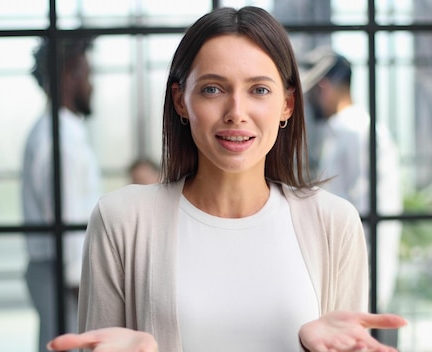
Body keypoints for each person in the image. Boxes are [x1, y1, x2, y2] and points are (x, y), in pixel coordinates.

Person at [47, 6, 406, 352]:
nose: (236, 113)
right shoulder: (121, 221)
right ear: (180, 101)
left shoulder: (335, 224)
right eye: (213, 89)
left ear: (288, 104)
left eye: (259, 90)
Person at [301, 47, 404, 346]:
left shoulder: (357, 133)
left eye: (310, 95)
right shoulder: (345, 132)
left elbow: (362, 213)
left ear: (323, 88)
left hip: (361, 274)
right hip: (351, 273)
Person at [22, 35, 102, 352]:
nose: (91, 85)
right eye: (87, 74)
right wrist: (86, 285)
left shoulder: (57, 131)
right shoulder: (59, 139)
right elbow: (66, 216)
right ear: (69, 77)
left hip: (58, 271)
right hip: (63, 274)